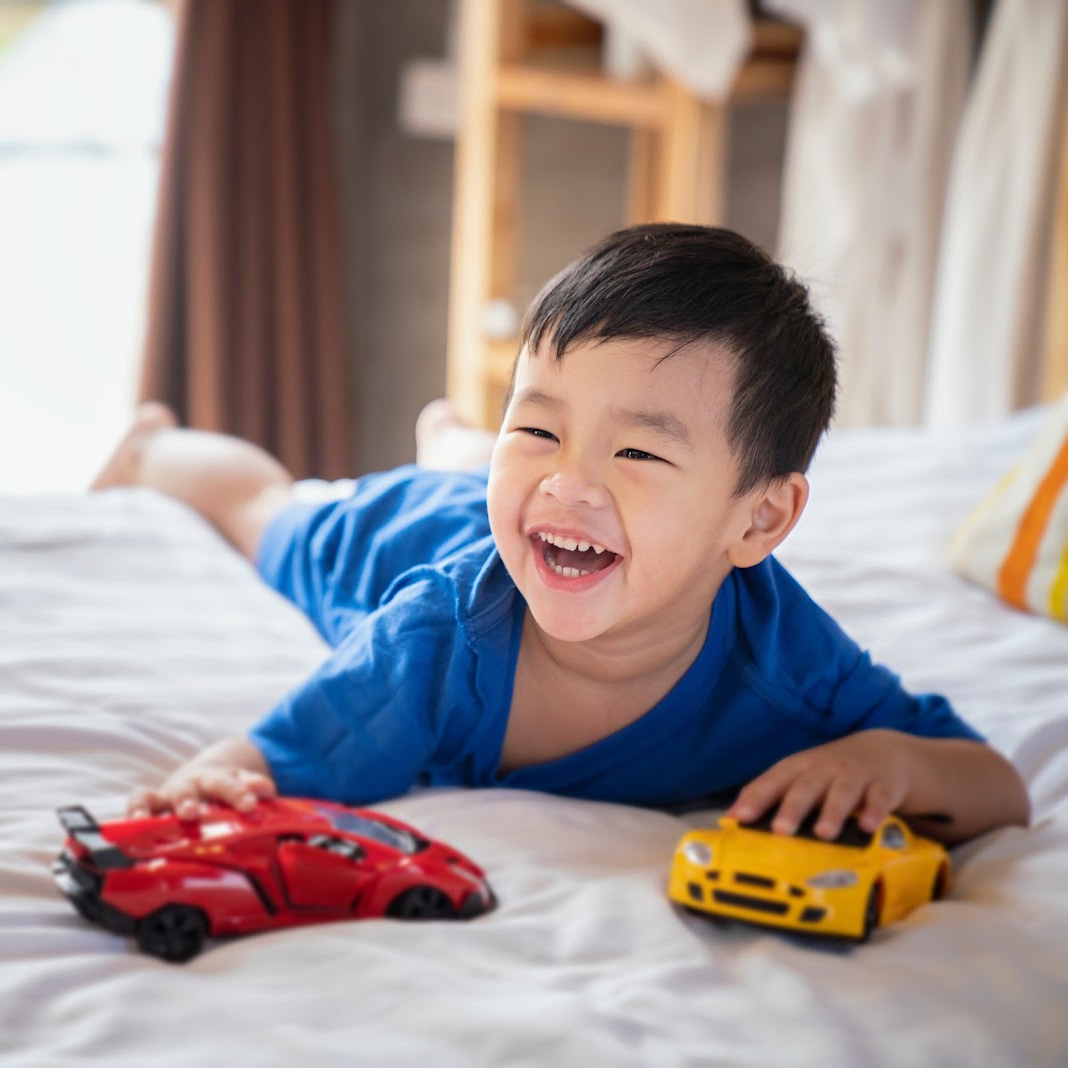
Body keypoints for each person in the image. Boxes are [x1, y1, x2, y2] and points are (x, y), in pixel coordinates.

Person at [93, 223, 1029, 845]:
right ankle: (155, 447)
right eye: (536, 428)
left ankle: (461, 448)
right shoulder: (434, 638)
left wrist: (884, 762)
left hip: (509, 525)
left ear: (760, 519)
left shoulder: (790, 664)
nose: (573, 479)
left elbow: (995, 786)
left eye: (639, 454)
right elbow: (267, 758)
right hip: (420, 539)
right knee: (274, 517)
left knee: (504, 493)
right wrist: (205, 786)